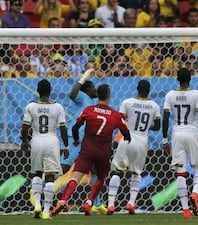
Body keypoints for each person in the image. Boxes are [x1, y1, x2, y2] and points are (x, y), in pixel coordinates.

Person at [50, 84, 131, 217]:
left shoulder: (88, 109)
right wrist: (128, 139)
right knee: (100, 177)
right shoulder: (115, 114)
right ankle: (89, 203)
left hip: (87, 149)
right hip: (103, 152)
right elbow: (125, 132)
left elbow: (76, 127)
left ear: (98, 95)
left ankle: (63, 200)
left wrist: (76, 139)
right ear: (109, 96)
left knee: (75, 176)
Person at [162, 68, 198, 219]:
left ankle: (186, 210)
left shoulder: (170, 95)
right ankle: (194, 193)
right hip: (192, 132)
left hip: (177, 134)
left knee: (180, 172)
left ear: (177, 79)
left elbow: (166, 118)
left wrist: (164, 140)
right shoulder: (197, 94)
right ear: (190, 79)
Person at [106, 80, 161, 215]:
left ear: (137, 88)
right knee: (136, 174)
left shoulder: (127, 102)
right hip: (142, 143)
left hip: (126, 139)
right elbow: (158, 126)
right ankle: (131, 203)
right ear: (149, 90)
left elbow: (119, 121)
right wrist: (148, 125)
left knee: (117, 172)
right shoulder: (154, 106)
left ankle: (111, 204)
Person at [60, 69, 106, 214]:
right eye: (93, 88)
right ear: (86, 90)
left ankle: (96, 203)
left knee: (95, 171)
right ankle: (40, 187)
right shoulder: (82, 97)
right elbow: (72, 94)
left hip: (87, 140)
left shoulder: (91, 102)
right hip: (76, 138)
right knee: (64, 168)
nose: (95, 90)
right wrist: (84, 77)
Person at [20, 79, 69, 219]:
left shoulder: (31, 106)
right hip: (51, 141)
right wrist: (66, 146)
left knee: (36, 173)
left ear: (37, 90)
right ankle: (46, 212)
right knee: (50, 176)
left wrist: (24, 142)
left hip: (36, 141)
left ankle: (37, 205)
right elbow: (63, 128)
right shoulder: (58, 107)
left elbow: (25, 128)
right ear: (50, 91)